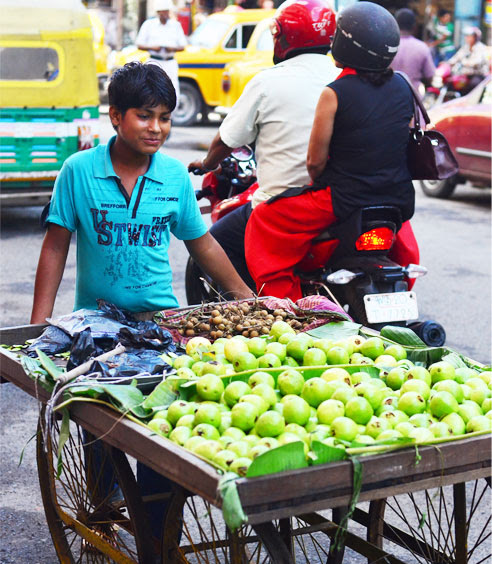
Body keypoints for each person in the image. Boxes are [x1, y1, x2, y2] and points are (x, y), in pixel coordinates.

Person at [30, 62, 253, 547]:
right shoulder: (78, 171)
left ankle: (154, 529)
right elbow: (55, 245)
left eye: (165, 118)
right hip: (95, 328)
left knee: (160, 432)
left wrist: (244, 296)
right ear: (115, 117)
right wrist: (38, 326)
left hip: (160, 324)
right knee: (100, 434)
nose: (157, 128)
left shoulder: (173, 176)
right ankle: (103, 515)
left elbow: (203, 244)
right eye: (145, 116)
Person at [244, 1, 419, 301]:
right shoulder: (404, 86)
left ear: (347, 45)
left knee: (263, 220)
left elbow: (314, 163)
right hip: (398, 199)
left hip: (343, 199)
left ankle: (287, 304)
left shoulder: (334, 93)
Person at [188, 0, 339, 289]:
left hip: (281, 204)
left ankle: (250, 307)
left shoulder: (268, 81)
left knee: (215, 242)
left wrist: (208, 164)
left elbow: (226, 139)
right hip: (338, 202)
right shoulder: (342, 79)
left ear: (283, 36)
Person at [136, 0, 187, 102]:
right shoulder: (149, 25)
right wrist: (153, 47)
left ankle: (170, 115)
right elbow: (139, 44)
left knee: (173, 89)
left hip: (170, 61)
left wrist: (172, 49)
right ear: (158, 12)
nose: (164, 14)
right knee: (152, 88)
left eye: (166, 11)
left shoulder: (175, 25)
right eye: (162, 11)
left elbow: (183, 46)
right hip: (155, 61)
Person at [391, 8, 436, 91]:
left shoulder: (388, 46)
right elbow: (430, 77)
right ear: (414, 26)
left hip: (389, 96)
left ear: (395, 24)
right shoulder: (422, 47)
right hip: (413, 97)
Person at [448, 26, 490, 93]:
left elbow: (476, 62)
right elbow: (457, 56)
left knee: (473, 84)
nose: (466, 38)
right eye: (466, 36)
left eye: (469, 36)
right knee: (451, 82)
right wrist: (448, 63)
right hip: (466, 74)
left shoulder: (481, 48)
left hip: (478, 75)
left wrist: (464, 62)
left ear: (475, 37)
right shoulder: (466, 47)